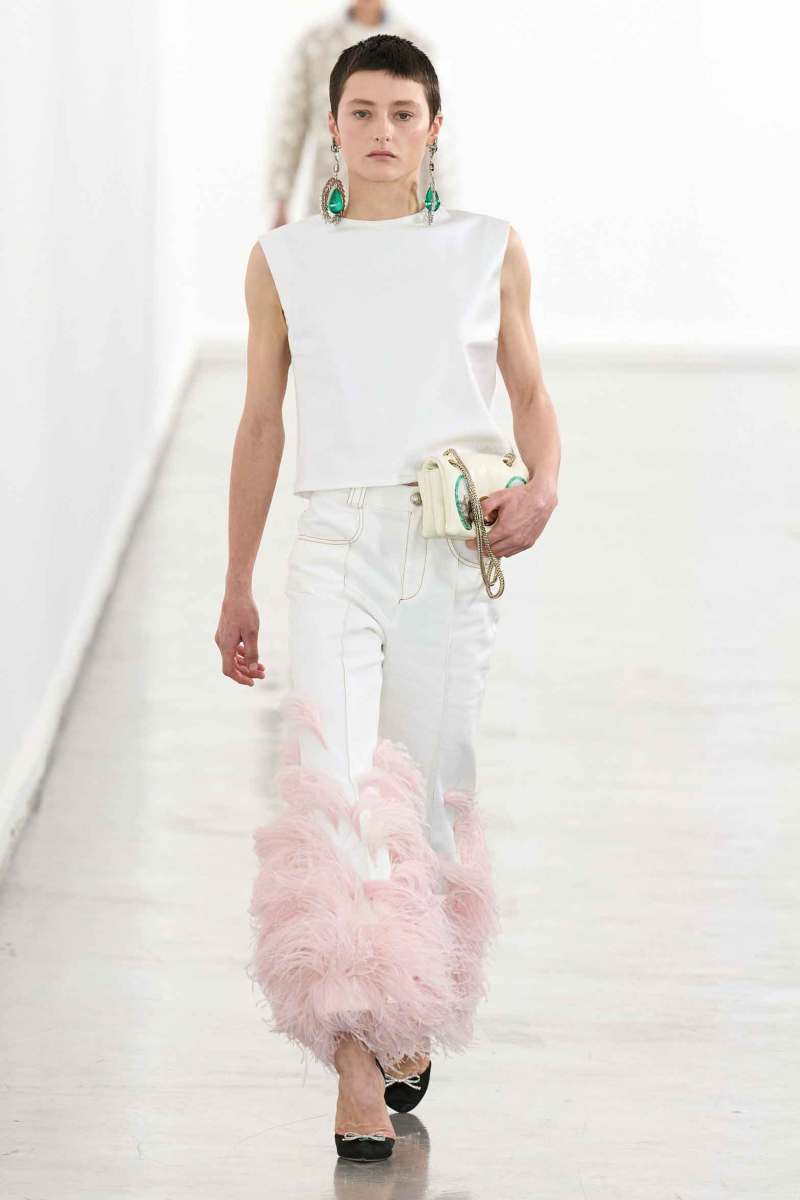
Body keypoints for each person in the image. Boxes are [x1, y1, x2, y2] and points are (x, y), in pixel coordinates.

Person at [215, 34, 561, 1163]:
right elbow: (260, 423)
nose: (380, 131)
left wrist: (543, 487)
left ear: (433, 129)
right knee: (335, 787)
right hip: (334, 545)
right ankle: (356, 1061)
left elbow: (528, 390)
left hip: (447, 549)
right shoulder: (283, 260)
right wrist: (237, 582)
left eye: (402, 114)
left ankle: (409, 996)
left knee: (433, 790)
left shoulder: (486, 248)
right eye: (360, 112)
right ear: (332, 124)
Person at [264, 0, 457, 224]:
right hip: (330, 201)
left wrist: (446, 211)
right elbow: (290, 126)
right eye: (362, 113)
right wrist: (279, 201)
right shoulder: (316, 45)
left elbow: (438, 139)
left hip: (403, 209)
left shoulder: (420, 47)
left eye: (402, 115)